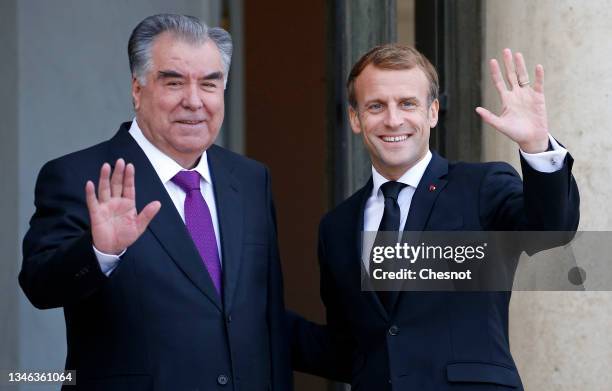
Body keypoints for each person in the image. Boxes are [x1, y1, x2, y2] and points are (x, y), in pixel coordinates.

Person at [19, 14, 291, 390]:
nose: (194, 101)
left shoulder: (249, 179)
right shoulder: (80, 176)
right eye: (174, 82)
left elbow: (266, 317)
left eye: (209, 84)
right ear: (137, 89)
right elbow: (40, 285)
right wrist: (99, 251)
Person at [289, 44, 579, 390]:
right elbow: (348, 350)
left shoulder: (481, 188)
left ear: (433, 112)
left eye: (408, 103)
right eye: (376, 106)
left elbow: (550, 231)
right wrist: (249, 318)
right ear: (355, 118)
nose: (393, 120)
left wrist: (536, 146)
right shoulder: (336, 227)